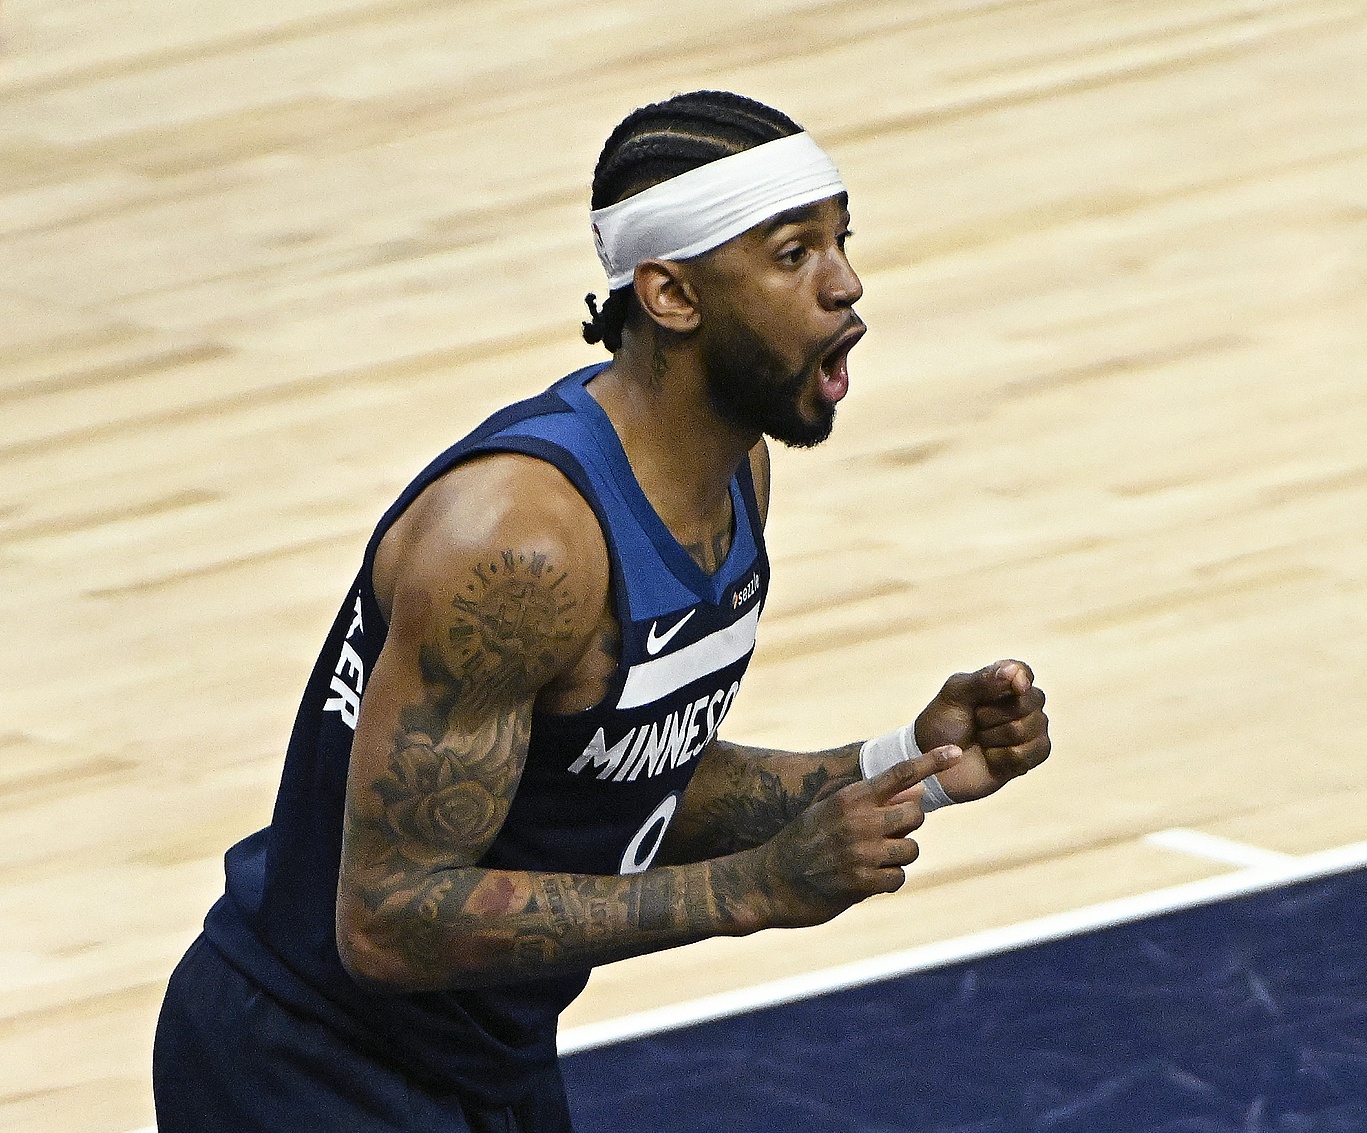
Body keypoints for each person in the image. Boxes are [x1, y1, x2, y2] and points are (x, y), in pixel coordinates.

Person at [152, 90, 1051, 1133]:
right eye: (793, 252)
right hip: (302, 1061)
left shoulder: (732, 476)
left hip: (483, 1052)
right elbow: (388, 920)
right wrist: (750, 888)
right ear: (670, 293)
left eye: (842, 240)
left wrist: (904, 763)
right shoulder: (519, 547)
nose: (845, 282)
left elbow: (616, 776)